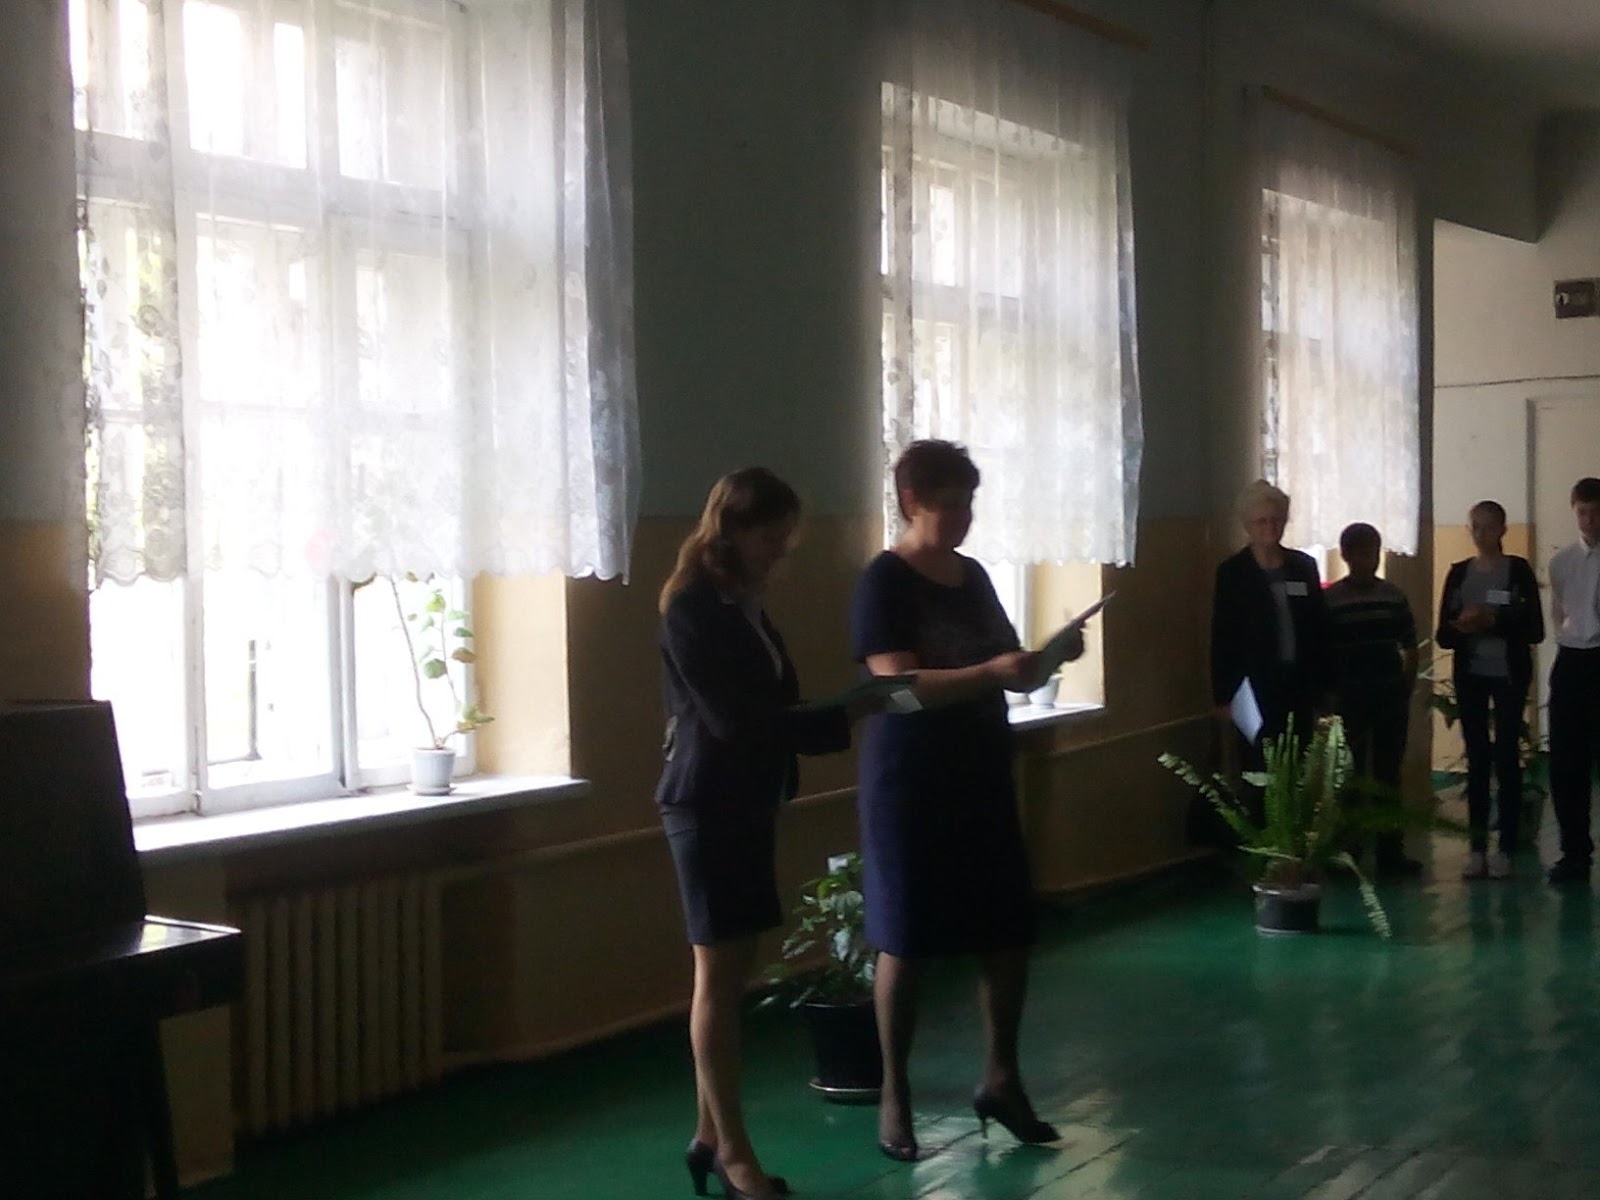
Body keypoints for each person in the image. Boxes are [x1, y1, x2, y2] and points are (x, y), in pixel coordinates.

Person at [851, 439, 1078, 1163]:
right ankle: (894, 1093)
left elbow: (1008, 665)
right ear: (912, 503)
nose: (962, 518)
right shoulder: (884, 581)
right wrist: (990, 673)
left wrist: (1047, 658)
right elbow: (897, 687)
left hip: (981, 768)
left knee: (1006, 926)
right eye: (949, 505)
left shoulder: (973, 575)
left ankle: (1002, 1077)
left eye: (969, 504)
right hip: (912, 778)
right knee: (907, 935)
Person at [656, 467, 873, 1200]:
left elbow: (772, 708)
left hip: (747, 801)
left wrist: (846, 709)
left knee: (730, 975)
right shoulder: (691, 608)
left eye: (785, 538)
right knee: (717, 981)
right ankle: (735, 1153)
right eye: (770, 538)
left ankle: (708, 1133)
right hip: (708, 804)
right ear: (733, 530)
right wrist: (840, 715)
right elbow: (736, 722)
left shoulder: (742, 604)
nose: (781, 551)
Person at [1434, 500, 1544, 880]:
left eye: (1489, 526)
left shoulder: (1517, 571)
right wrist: (1463, 625)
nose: (1482, 534)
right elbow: (1443, 634)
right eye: (1476, 527)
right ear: (1469, 530)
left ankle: (1507, 847)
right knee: (1478, 758)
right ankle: (1477, 848)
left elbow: (1534, 629)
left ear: (1502, 530)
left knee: (1507, 756)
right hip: (1471, 676)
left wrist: (1493, 620)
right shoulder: (1459, 573)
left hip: (1508, 675)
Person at [1209, 480, 1331, 770]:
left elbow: (1319, 628)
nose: (1270, 527)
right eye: (1261, 521)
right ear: (1247, 525)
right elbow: (1223, 635)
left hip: (1299, 684)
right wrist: (1222, 696)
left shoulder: (1303, 567)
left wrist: (1324, 687)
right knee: (1258, 767)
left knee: (1299, 766)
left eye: (1276, 520)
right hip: (1252, 689)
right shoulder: (1233, 572)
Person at [1324, 522, 1421, 878]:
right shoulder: (1331, 600)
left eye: (1373, 553)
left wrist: (1405, 687)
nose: (1369, 560)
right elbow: (1322, 651)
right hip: (1348, 698)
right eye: (1362, 553)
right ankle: (1347, 851)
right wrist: (1328, 695)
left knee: (1386, 776)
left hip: (1388, 696)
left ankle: (1389, 852)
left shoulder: (1393, 596)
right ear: (1346, 556)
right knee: (1348, 776)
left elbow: (1410, 646)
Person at [1544, 477, 1600, 885]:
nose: (1590, 520)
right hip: (1572, 661)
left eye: (1596, 512)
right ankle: (1574, 852)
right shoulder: (1561, 562)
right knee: (1567, 763)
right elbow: (1559, 612)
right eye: (1583, 512)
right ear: (1573, 511)